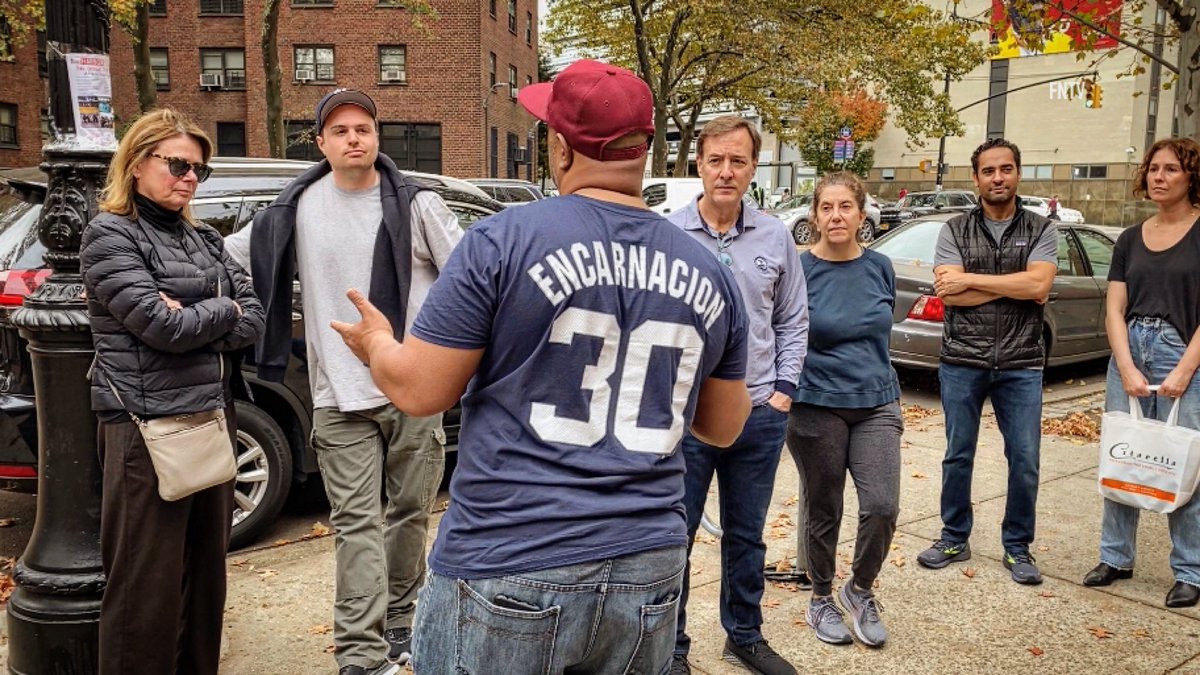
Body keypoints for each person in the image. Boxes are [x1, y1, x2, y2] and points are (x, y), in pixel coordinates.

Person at [331, 59, 752, 674]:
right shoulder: (711, 271)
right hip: (650, 567)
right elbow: (724, 426)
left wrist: (375, 344)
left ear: (559, 147)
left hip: (512, 557)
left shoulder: (502, 241)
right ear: (646, 146)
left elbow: (420, 391)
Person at [232, 88, 464, 675]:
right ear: (321, 143)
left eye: (363, 127)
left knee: (410, 512)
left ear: (377, 135)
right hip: (338, 394)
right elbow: (231, 257)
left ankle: (402, 621)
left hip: (413, 387)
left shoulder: (416, 204)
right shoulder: (295, 207)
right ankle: (360, 654)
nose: (353, 137)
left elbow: (469, 274)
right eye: (340, 131)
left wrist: (442, 353)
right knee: (356, 524)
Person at [79, 108, 265, 674]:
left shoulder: (205, 237)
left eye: (199, 171)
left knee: (205, 584)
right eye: (178, 164)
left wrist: (207, 310)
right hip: (143, 428)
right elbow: (162, 327)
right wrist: (219, 309)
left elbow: (253, 318)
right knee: (144, 593)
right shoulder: (108, 234)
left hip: (209, 420)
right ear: (136, 164)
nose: (188, 178)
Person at [669, 114, 808, 675]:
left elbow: (793, 317)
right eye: (716, 159)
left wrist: (783, 391)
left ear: (753, 167)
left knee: (746, 535)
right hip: (687, 416)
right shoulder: (669, 233)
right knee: (672, 536)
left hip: (758, 414)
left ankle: (744, 635)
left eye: (738, 161)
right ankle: (671, 647)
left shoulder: (775, 236)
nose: (726, 171)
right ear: (699, 163)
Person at [917, 138, 1057, 585]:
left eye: (1007, 169)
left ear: (1018, 173)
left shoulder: (1041, 229)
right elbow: (946, 291)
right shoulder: (954, 230)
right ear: (976, 178)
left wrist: (973, 282)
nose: (998, 177)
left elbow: (1039, 287)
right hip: (963, 359)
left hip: (1022, 362)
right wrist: (1017, 285)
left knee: (1025, 458)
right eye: (989, 171)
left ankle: (1017, 546)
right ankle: (953, 536)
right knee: (958, 455)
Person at [1082, 137, 1200, 609]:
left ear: (1191, 176)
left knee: (1184, 463)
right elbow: (1114, 308)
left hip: (1184, 353)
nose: (1158, 176)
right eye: (1153, 168)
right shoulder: (1130, 238)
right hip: (1129, 351)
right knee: (1123, 458)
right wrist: (1126, 365)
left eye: (1171, 169)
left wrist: (1184, 370)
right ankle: (1115, 557)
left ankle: (1190, 570)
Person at [788, 171, 901, 649]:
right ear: (814, 215)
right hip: (816, 404)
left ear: (861, 214)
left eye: (845, 207)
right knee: (825, 506)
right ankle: (819, 596)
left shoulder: (880, 267)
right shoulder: (798, 269)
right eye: (826, 207)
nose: (836, 216)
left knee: (881, 506)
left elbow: (881, 324)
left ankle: (859, 589)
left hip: (876, 401)